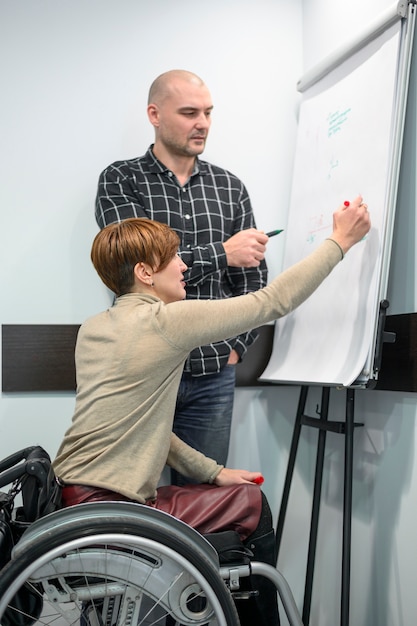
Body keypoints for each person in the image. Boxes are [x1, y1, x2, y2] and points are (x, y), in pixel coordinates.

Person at [53, 196, 370, 625]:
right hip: (114, 507)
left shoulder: (94, 328)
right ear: (145, 273)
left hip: (73, 499)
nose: (184, 266)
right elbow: (271, 301)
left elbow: (140, 426)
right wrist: (340, 241)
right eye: (174, 258)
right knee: (252, 503)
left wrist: (213, 473)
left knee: (230, 493)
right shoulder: (166, 322)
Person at [95, 69, 270, 484]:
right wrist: (223, 253)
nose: (203, 123)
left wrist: (235, 349)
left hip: (214, 372)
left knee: (204, 499)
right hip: (143, 368)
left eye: (208, 112)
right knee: (131, 495)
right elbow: (135, 266)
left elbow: (254, 282)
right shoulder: (121, 180)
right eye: (190, 112)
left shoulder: (230, 187)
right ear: (154, 114)